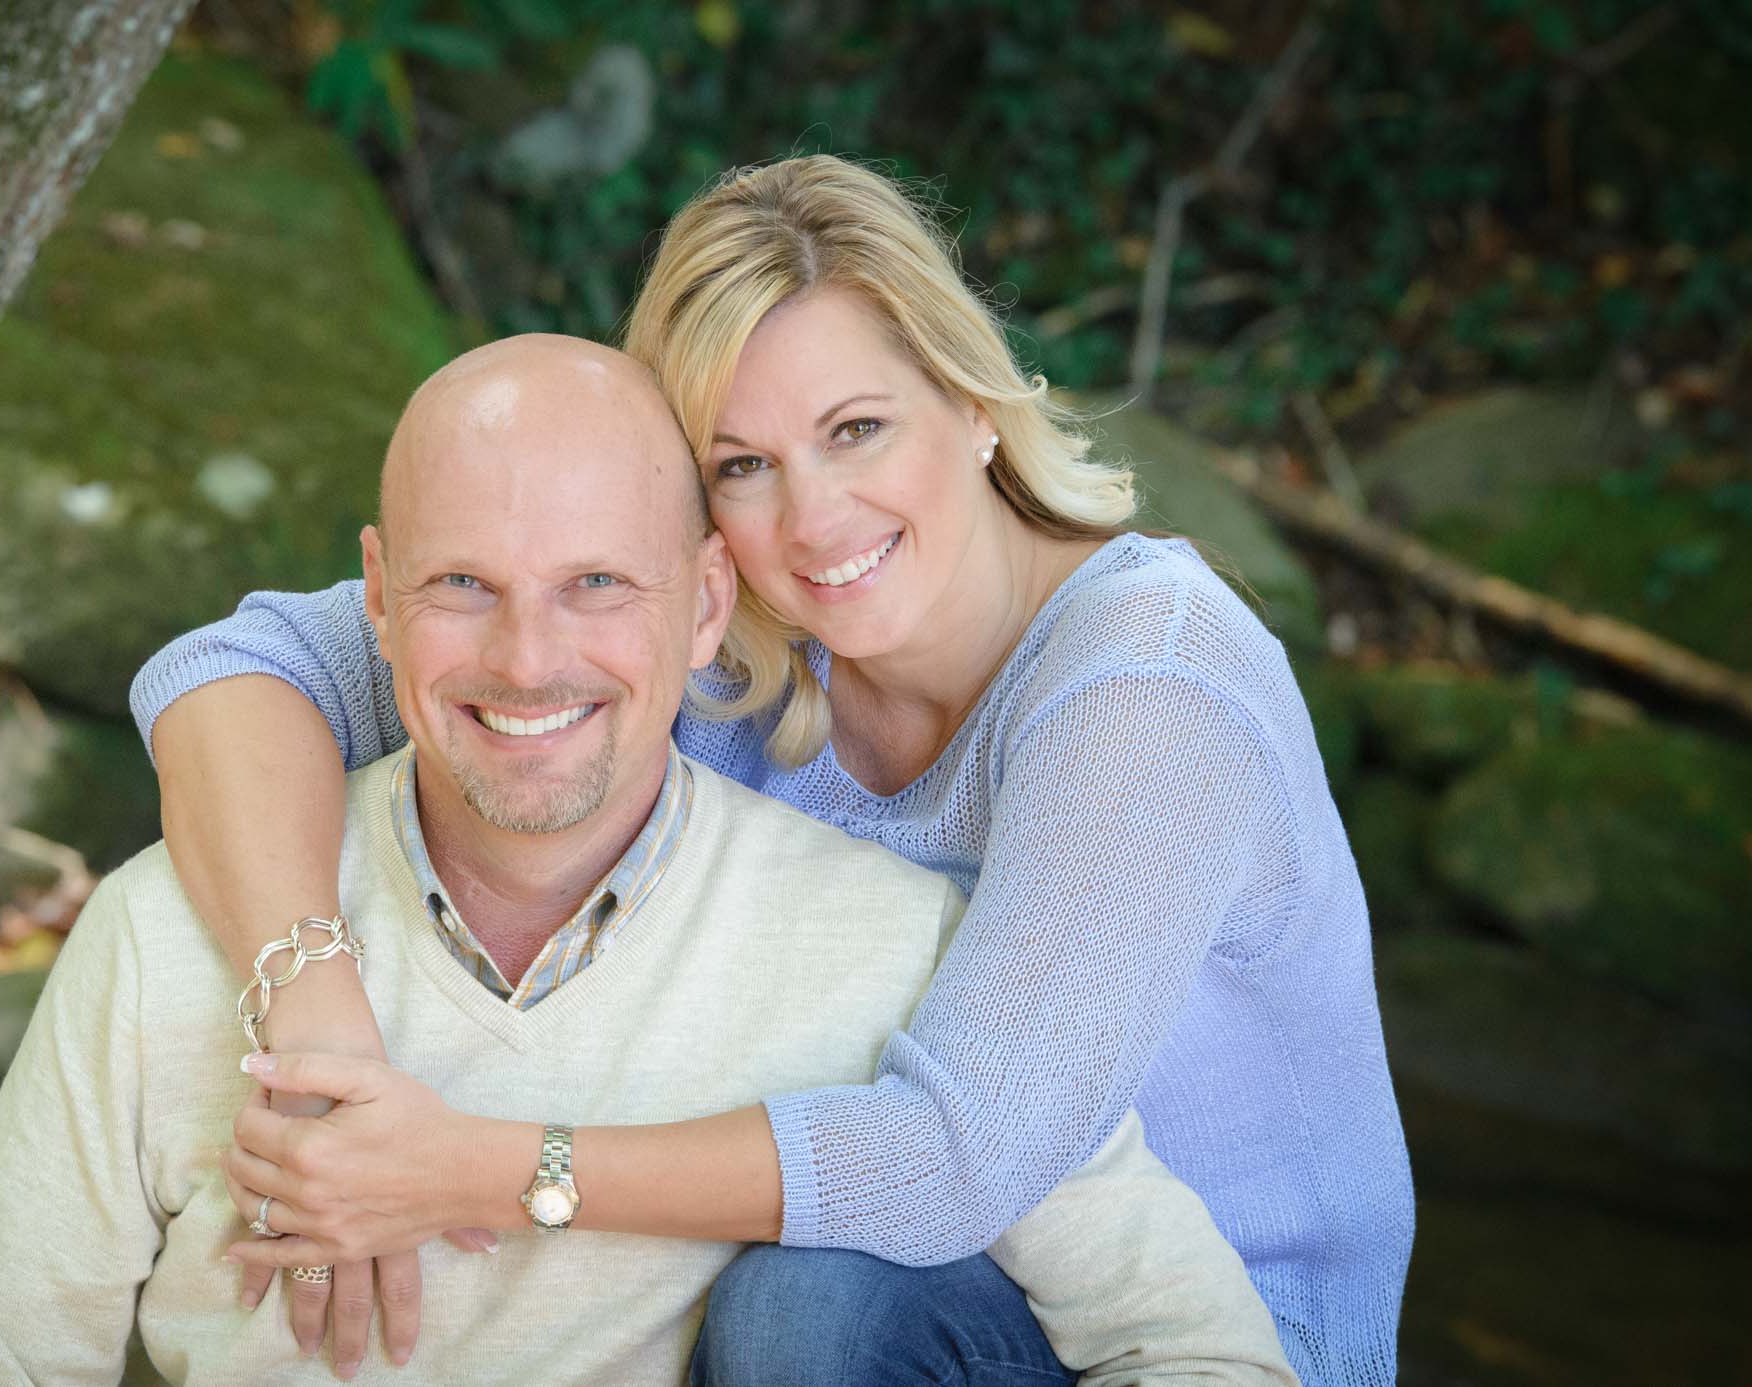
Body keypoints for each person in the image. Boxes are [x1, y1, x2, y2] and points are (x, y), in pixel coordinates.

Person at [131, 157, 1411, 1387]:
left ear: (973, 404)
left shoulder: (1146, 677)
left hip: (1197, 1333)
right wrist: (311, 1008)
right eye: (742, 466)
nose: (813, 521)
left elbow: (956, 1161)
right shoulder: (718, 644)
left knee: (804, 1308)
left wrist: (469, 1168)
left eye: (857, 429)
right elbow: (230, 672)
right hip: (859, 1272)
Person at [0, 336, 1295, 1386]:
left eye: (597, 585)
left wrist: (483, 1167)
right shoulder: (169, 935)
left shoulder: (886, 946)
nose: (526, 658)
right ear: (374, 597)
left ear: (705, 603)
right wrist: (307, 996)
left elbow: (1200, 1350)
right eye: (460, 586)